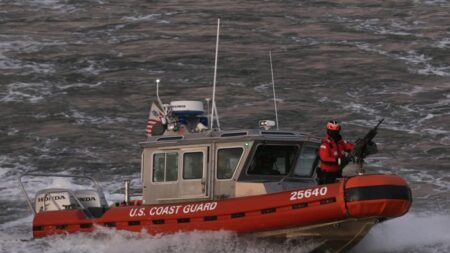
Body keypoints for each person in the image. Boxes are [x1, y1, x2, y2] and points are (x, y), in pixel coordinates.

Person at [317, 120, 354, 184]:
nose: (335, 133)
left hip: (337, 173)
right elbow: (325, 158)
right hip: (326, 175)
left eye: (336, 131)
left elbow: (351, 147)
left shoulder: (341, 143)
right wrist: (340, 161)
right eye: (333, 131)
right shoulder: (325, 145)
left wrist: (360, 147)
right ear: (328, 131)